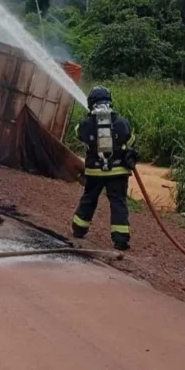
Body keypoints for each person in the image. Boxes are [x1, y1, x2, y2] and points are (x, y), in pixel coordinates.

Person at [72, 86, 138, 252]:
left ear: (91, 102)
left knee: (89, 198)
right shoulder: (121, 122)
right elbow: (131, 139)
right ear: (110, 101)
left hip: (94, 171)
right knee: (118, 202)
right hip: (118, 172)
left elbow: (77, 133)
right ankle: (120, 239)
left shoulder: (87, 124)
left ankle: (79, 229)